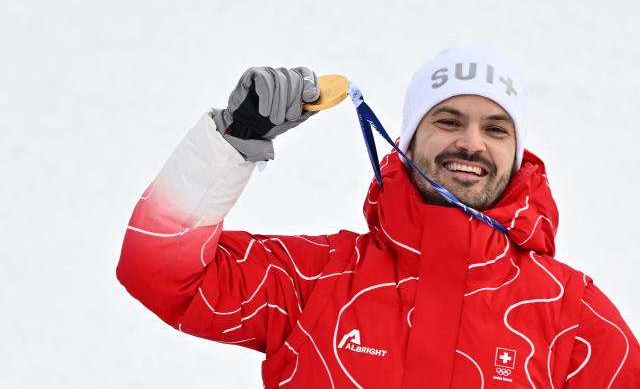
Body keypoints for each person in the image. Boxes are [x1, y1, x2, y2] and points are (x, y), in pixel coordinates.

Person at [116, 47, 640, 388]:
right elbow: (162, 274)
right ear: (408, 140)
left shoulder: (572, 315)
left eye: (497, 129)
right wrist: (233, 142)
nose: (471, 143)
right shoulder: (313, 279)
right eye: (448, 120)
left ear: (519, 152)